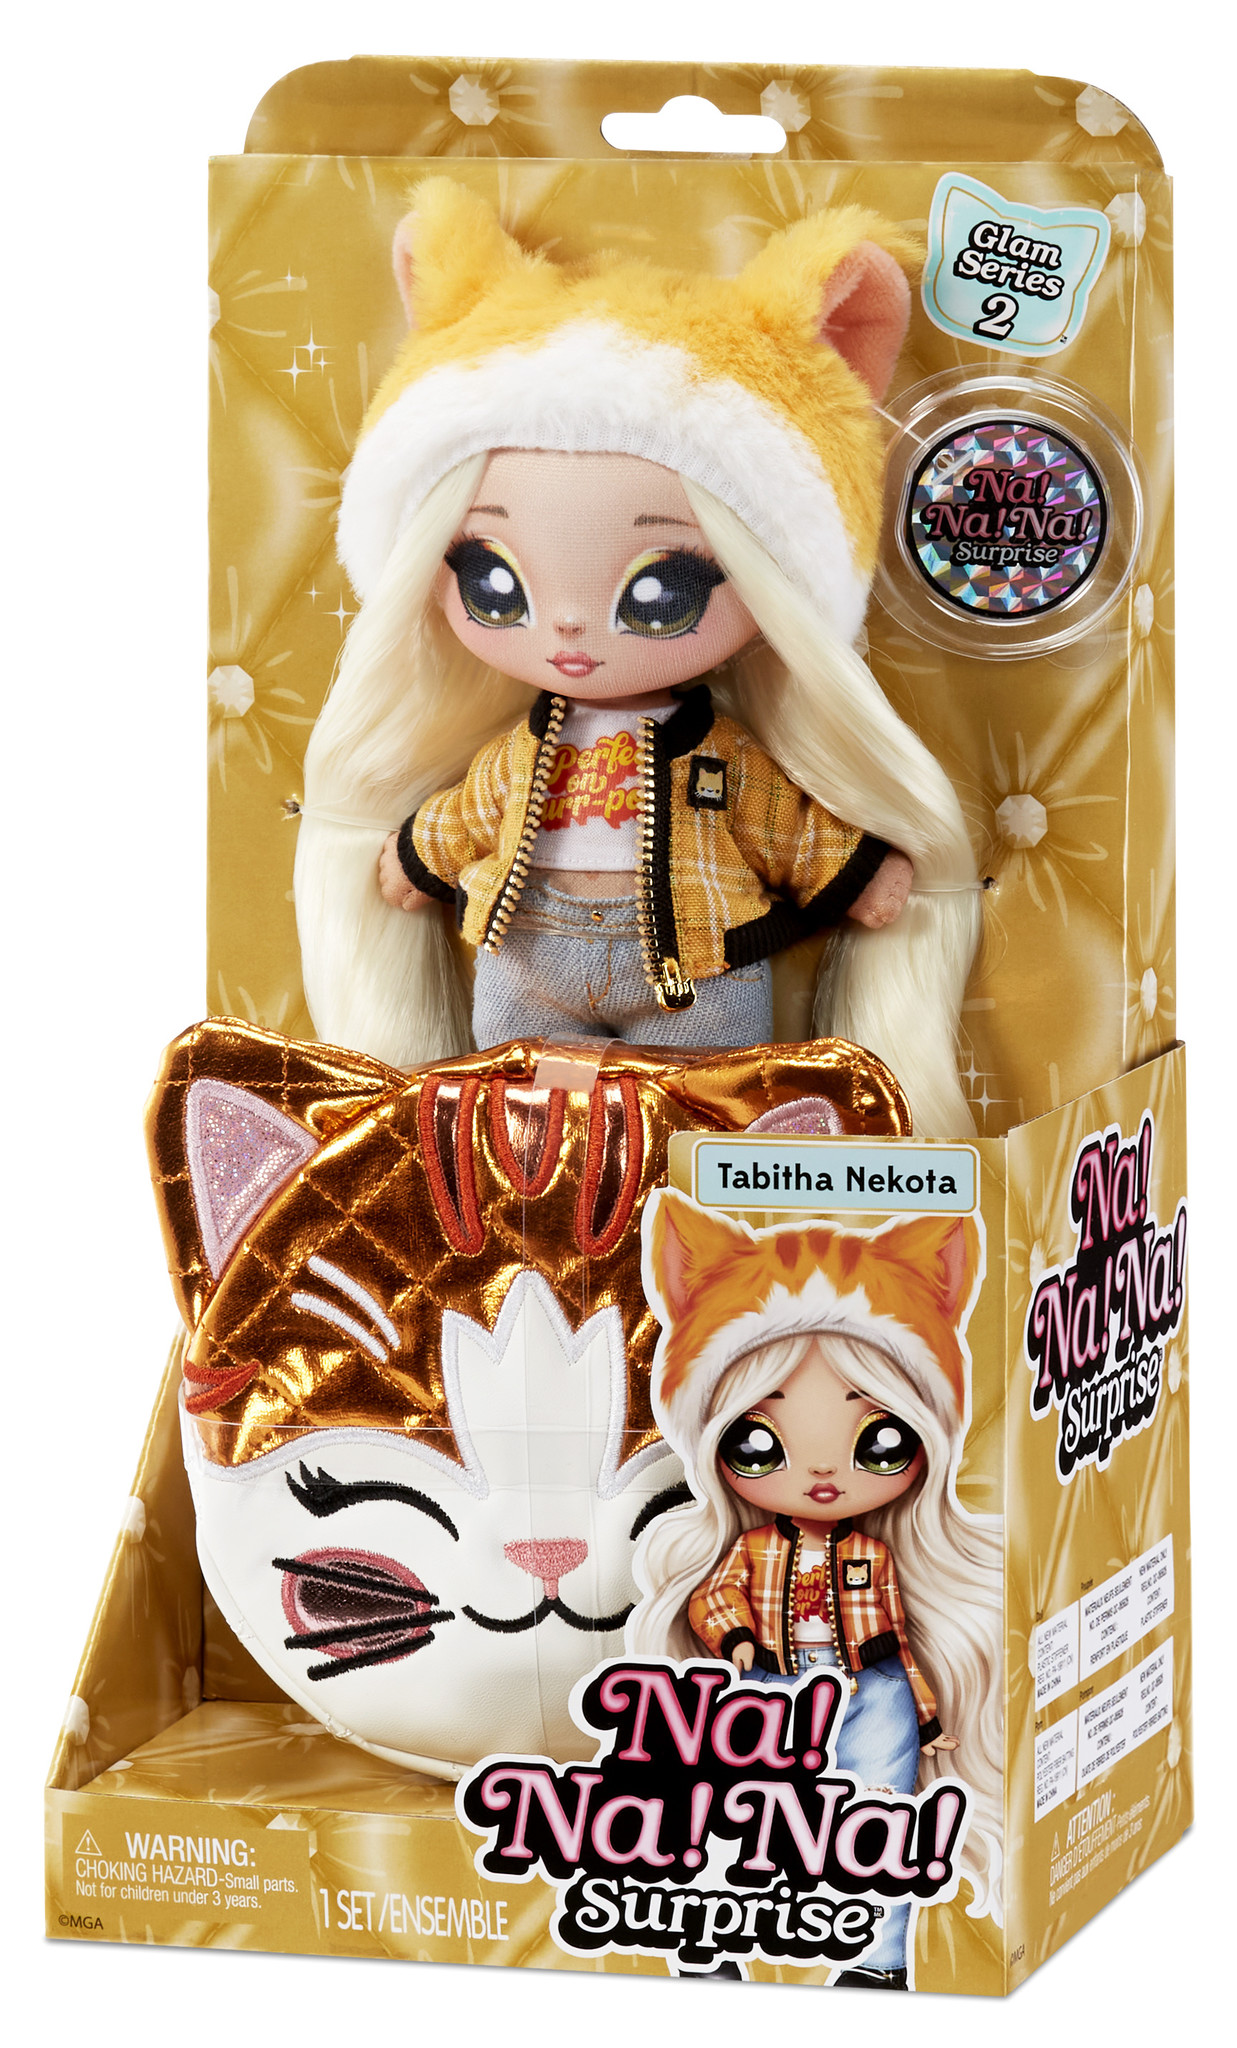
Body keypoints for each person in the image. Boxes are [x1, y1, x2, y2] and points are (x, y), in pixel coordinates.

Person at [294, 179, 982, 1138]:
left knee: (701, 1111)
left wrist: (856, 873)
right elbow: (476, 811)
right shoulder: (516, 756)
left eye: (664, 590)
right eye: (493, 582)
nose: (569, 633)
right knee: (520, 1118)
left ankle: (694, 1200)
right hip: (528, 956)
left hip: (692, 970)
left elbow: (780, 826)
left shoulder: (724, 757)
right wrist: (419, 854)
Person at [629, 1190, 1003, 1985]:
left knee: (881, 1825)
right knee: (737, 1813)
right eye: (758, 1443)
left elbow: (899, 1636)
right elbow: (714, 1597)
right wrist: (735, 1641)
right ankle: (712, 1937)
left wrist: (928, 1713)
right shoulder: (752, 1549)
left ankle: (875, 1962)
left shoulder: (873, 1556)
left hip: (871, 1687)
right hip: (767, 1685)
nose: (825, 1472)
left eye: (880, 1440)